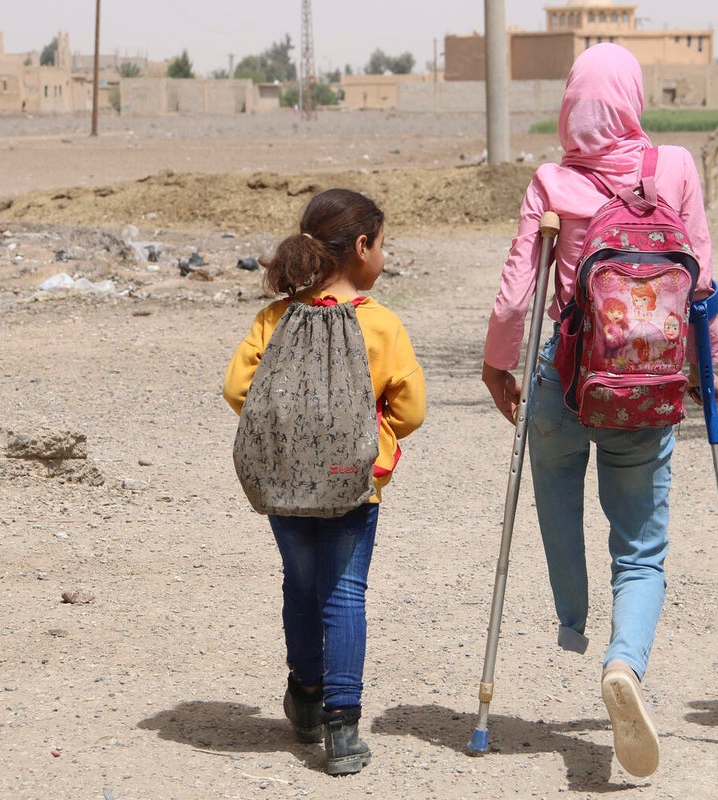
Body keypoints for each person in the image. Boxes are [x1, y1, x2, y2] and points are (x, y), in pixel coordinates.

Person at [482, 43, 718, 779]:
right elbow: (702, 280)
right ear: (633, 97)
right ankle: (624, 663)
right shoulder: (676, 168)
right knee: (641, 547)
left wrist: (498, 364)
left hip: (563, 382)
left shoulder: (552, 179)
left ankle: (571, 621)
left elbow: (519, 289)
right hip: (644, 391)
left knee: (557, 503)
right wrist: (699, 375)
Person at [223, 188, 426, 775]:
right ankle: (343, 729)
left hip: (284, 486)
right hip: (353, 485)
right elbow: (410, 412)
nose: (383, 257)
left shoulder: (275, 317)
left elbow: (239, 390)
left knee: (300, 584)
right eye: (382, 245)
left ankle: (306, 699)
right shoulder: (381, 325)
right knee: (344, 594)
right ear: (361, 248)